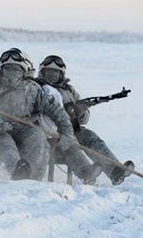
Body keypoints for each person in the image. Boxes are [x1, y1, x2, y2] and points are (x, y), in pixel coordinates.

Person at [0, 48, 77, 181]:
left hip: (22, 127)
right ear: (2, 69)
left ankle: (32, 179)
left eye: (16, 69)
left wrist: (67, 132)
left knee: (37, 136)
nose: (12, 72)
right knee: (4, 142)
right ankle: (18, 171)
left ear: (24, 71)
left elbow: (57, 112)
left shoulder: (33, 89)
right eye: (8, 68)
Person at [37, 55, 134, 185]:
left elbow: (83, 118)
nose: (53, 74)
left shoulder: (69, 90)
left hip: (71, 130)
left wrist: (81, 113)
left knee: (90, 136)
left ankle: (114, 171)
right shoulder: (37, 88)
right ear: (43, 72)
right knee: (70, 142)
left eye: (56, 72)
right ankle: (86, 173)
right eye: (49, 71)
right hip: (48, 135)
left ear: (61, 74)